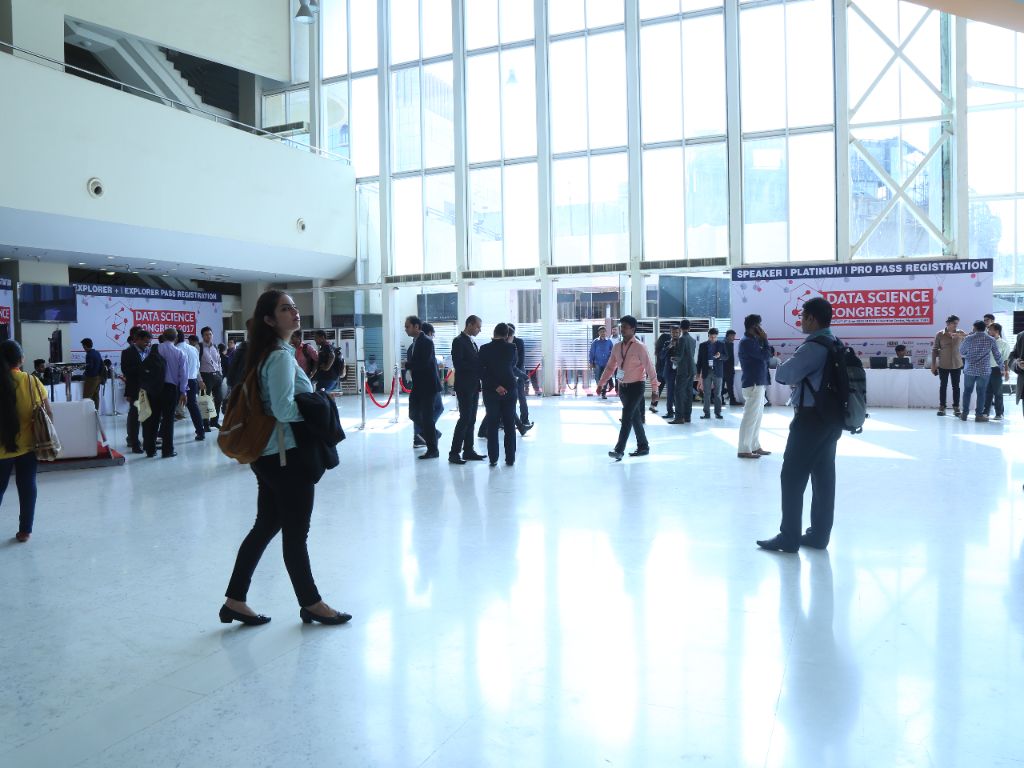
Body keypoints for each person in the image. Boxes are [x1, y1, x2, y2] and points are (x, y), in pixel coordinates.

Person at [221, 289, 350, 627]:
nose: (294, 312)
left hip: (269, 455)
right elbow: (282, 408)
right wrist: (317, 406)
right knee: (295, 534)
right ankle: (312, 604)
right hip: (286, 457)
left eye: (294, 307)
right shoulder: (278, 356)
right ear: (268, 319)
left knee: (265, 526)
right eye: (285, 309)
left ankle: (235, 599)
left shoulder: (268, 352)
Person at [757, 297, 843, 554]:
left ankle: (789, 537)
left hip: (810, 419)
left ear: (812, 319)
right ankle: (819, 535)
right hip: (831, 419)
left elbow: (785, 375)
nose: (800, 321)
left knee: (792, 476)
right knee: (824, 477)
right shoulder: (835, 342)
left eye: (802, 316)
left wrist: (781, 363)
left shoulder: (813, 347)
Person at [0, 339, 51, 543]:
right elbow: (48, 413)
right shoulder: (32, 382)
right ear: (21, 359)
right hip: (28, 446)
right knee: (27, 486)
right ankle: (25, 531)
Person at [599, 315, 659, 461]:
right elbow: (610, 367)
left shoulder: (640, 347)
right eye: (621, 327)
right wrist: (601, 383)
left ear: (633, 329)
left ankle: (619, 450)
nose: (622, 329)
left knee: (626, 417)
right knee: (635, 418)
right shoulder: (617, 347)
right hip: (623, 389)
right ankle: (643, 446)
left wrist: (655, 389)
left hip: (637, 387)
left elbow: (650, 368)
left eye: (625, 327)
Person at [478, 322, 519, 467]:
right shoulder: (512, 348)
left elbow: (480, 371)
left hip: (491, 391)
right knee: (509, 424)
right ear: (507, 335)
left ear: (494, 333)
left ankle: (493, 458)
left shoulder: (484, 349)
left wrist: (496, 386)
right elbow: (512, 365)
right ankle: (510, 458)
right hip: (510, 389)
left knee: (492, 424)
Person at [449, 315, 486, 464]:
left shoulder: (472, 342)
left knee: (472, 419)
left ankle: (468, 450)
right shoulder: (458, 341)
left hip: (474, 385)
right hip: (464, 386)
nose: (479, 330)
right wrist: (477, 366)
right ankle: (454, 453)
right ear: (470, 324)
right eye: (478, 327)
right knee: (464, 418)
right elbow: (458, 364)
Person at [405, 315, 442, 459]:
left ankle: (433, 450)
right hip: (418, 385)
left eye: (408, 326)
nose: (406, 329)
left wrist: (407, 365)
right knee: (413, 414)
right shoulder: (414, 343)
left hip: (428, 386)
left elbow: (424, 363)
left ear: (416, 326)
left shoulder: (426, 341)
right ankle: (433, 433)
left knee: (427, 418)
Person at [737, 314, 772, 460]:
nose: (761, 328)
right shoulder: (747, 342)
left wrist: (763, 340)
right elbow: (766, 356)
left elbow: (767, 355)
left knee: (757, 417)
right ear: (754, 326)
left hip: (758, 382)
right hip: (753, 383)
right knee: (750, 417)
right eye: (759, 325)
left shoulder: (753, 340)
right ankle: (744, 449)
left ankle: (754, 445)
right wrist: (765, 339)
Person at [959, 320, 1002, 423]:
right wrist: (1002, 367)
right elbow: (997, 355)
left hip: (970, 369)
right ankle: (979, 415)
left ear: (975, 328)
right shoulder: (991, 339)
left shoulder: (969, 338)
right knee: (981, 393)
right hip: (984, 370)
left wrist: (969, 353)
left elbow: (961, 351)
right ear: (985, 328)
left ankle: (964, 414)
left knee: (967, 391)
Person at [155, 329, 188, 457]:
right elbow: (183, 374)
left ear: (163, 337)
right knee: (168, 419)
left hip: (155, 388)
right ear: (176, 338)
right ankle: (167, 450)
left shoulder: (155, 349)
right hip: (171, 389)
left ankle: (150, 448)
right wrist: (183, 391)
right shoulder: (180, 353)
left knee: (153, 418)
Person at [121, 328, 151, 454]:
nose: (147, 344)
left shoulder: (150, 351)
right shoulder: (127, 352)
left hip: (149, 388)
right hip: (135, 389)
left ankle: (148, 442)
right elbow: (126, 370)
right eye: (145, 342)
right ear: (137, 340)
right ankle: (134, 443)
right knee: (135, 417)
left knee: (148, 417)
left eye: (149, 342)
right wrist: (142, 368)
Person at [931, 315, 966, 417]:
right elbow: (934, 350)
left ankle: (956, 407)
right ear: (948, 323)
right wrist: (933, 365)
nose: (956, 325)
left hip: (957, 364)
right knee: (943, 386)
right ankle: (942, 406)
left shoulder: (960, 333)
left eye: (957, 323)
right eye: (954, 323)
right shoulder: (940, 334)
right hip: (943, 364)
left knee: (956, 387)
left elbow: (968, 342)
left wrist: (961, 336)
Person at [175, 330, 206, 441]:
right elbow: (197, 367)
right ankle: (201, 432)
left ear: (176, 338)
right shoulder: (193, 349)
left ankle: (161, 435)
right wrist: (199, 380)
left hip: (179, 381)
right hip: (192, 381)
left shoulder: (176, 350)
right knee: (193, 406)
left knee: (170, 407)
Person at [669, 319, 696, 424]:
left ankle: (679, 417)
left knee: (679, 393)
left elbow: (679, 356)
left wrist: (673, 359)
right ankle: (687, 416)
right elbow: (690, 355)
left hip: (683, 370)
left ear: (680, 328)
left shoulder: (682, 339)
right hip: (692, 369)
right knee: (688, 393)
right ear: (689, 328)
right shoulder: (693, 340)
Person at [696, 328, 727, 420]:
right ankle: (706, 413)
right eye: (711, 337)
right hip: (706, 371)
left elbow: (726, 357)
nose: (713, 339)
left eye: (714, 337)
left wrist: (720, 356)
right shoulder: (703, 345)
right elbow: (699, 359)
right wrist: (698, 372)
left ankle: (718, 413)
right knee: (706, 393)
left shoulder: (722, 344)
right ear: (708, 336)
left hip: (718, 371)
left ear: (717, 336)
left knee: (718, 393)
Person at [984, 323, 1011, 420]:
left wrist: (1006, 372)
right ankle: (985, 412)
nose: (988, 331)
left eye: (990, 329)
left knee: (998, 393)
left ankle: (999, 413)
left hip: (997, 370)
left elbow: (1006, 359)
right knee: (987, 392)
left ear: (997, 331)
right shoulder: (986, 342)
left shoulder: (1004, 344)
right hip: (986, 369)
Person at [198, 326, 223, 429]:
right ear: (202, 336)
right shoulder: (199, 347)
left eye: (210, 334)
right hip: (205, 376)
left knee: (219, 399)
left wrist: (220, 373)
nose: (208, 336)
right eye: (206, 334)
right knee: (205, 401)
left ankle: (214, 421)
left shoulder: (215, 347)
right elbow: (196, 365)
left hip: (217, 376)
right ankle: (205, 424)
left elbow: (219, 361)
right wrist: (200, 380)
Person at [507, 323, 532, 427]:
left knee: (521, 396)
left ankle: (524, 420)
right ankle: (505, 421)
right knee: (508, 399)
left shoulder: (519, 341)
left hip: (519, 372)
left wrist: (517, 375)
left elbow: (521, 360)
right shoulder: (504, 342)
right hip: (508, 373)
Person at [660, 325, 681, 420]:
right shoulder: (667, 343)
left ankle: (679, 411)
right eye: (673, 332)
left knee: (679, 392)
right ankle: (669, 412)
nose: (675, 334)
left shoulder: (682, 343)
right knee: (670, 392)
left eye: (676, 332)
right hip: (669, 371)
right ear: (670, 333)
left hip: (680, 371)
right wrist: (669, 347)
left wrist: (678, 359)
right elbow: (661, 356)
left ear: (680, 333)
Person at [589, 326, 614, 399]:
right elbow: (591, 352)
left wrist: (612, 361)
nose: (603, 333)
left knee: (605, 378)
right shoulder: (595, 342)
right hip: (597, 363)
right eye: (601, 332)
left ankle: (603, 393)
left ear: (606, 332)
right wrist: (591, 362)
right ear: (598, 333)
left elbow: (613, 352)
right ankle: (599, 388)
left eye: (604, 332)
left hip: (606, 363)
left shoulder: (609, 341)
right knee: (597, 378)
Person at [81, 337, 103, 409]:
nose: (83, 348)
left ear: (85, 346)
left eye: (83, 346)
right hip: (98, 377)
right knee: (95, 396)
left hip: (91, 378)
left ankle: (87, 413)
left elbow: (90, 367)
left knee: (87, 397)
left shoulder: (89, 355)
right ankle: (96, 412)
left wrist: (84, 368)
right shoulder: (97, 353)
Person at [722, 329, 739, 406]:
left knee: (725, 385)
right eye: (733, 336)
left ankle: (723, 400)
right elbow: (727, 357)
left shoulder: (726, 343)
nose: (734, 338)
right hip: (727, 368)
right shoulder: (726, 344)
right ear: (728, 335)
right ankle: (732, 400)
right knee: (729, 385)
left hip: (725, 368)